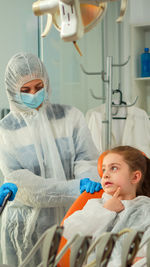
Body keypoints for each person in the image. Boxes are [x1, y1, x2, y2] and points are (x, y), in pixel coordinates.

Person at [0, 52, 101, 266]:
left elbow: (87, 159)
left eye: (38, 87)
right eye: (25, 90)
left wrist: (88, 184)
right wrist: (75, 188)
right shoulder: (6, 130)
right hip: (27, 226)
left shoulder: (70, 117)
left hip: (74, 217)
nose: (34, 94)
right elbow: (24, 184)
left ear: (46, 82)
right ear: (12, 91)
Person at [63, 146, 150, 266]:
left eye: (114, 168)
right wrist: (105, 210)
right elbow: (70, 230)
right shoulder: (97, 205)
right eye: (104, 170)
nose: (105, 175)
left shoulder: (145, 210)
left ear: (135, 177)